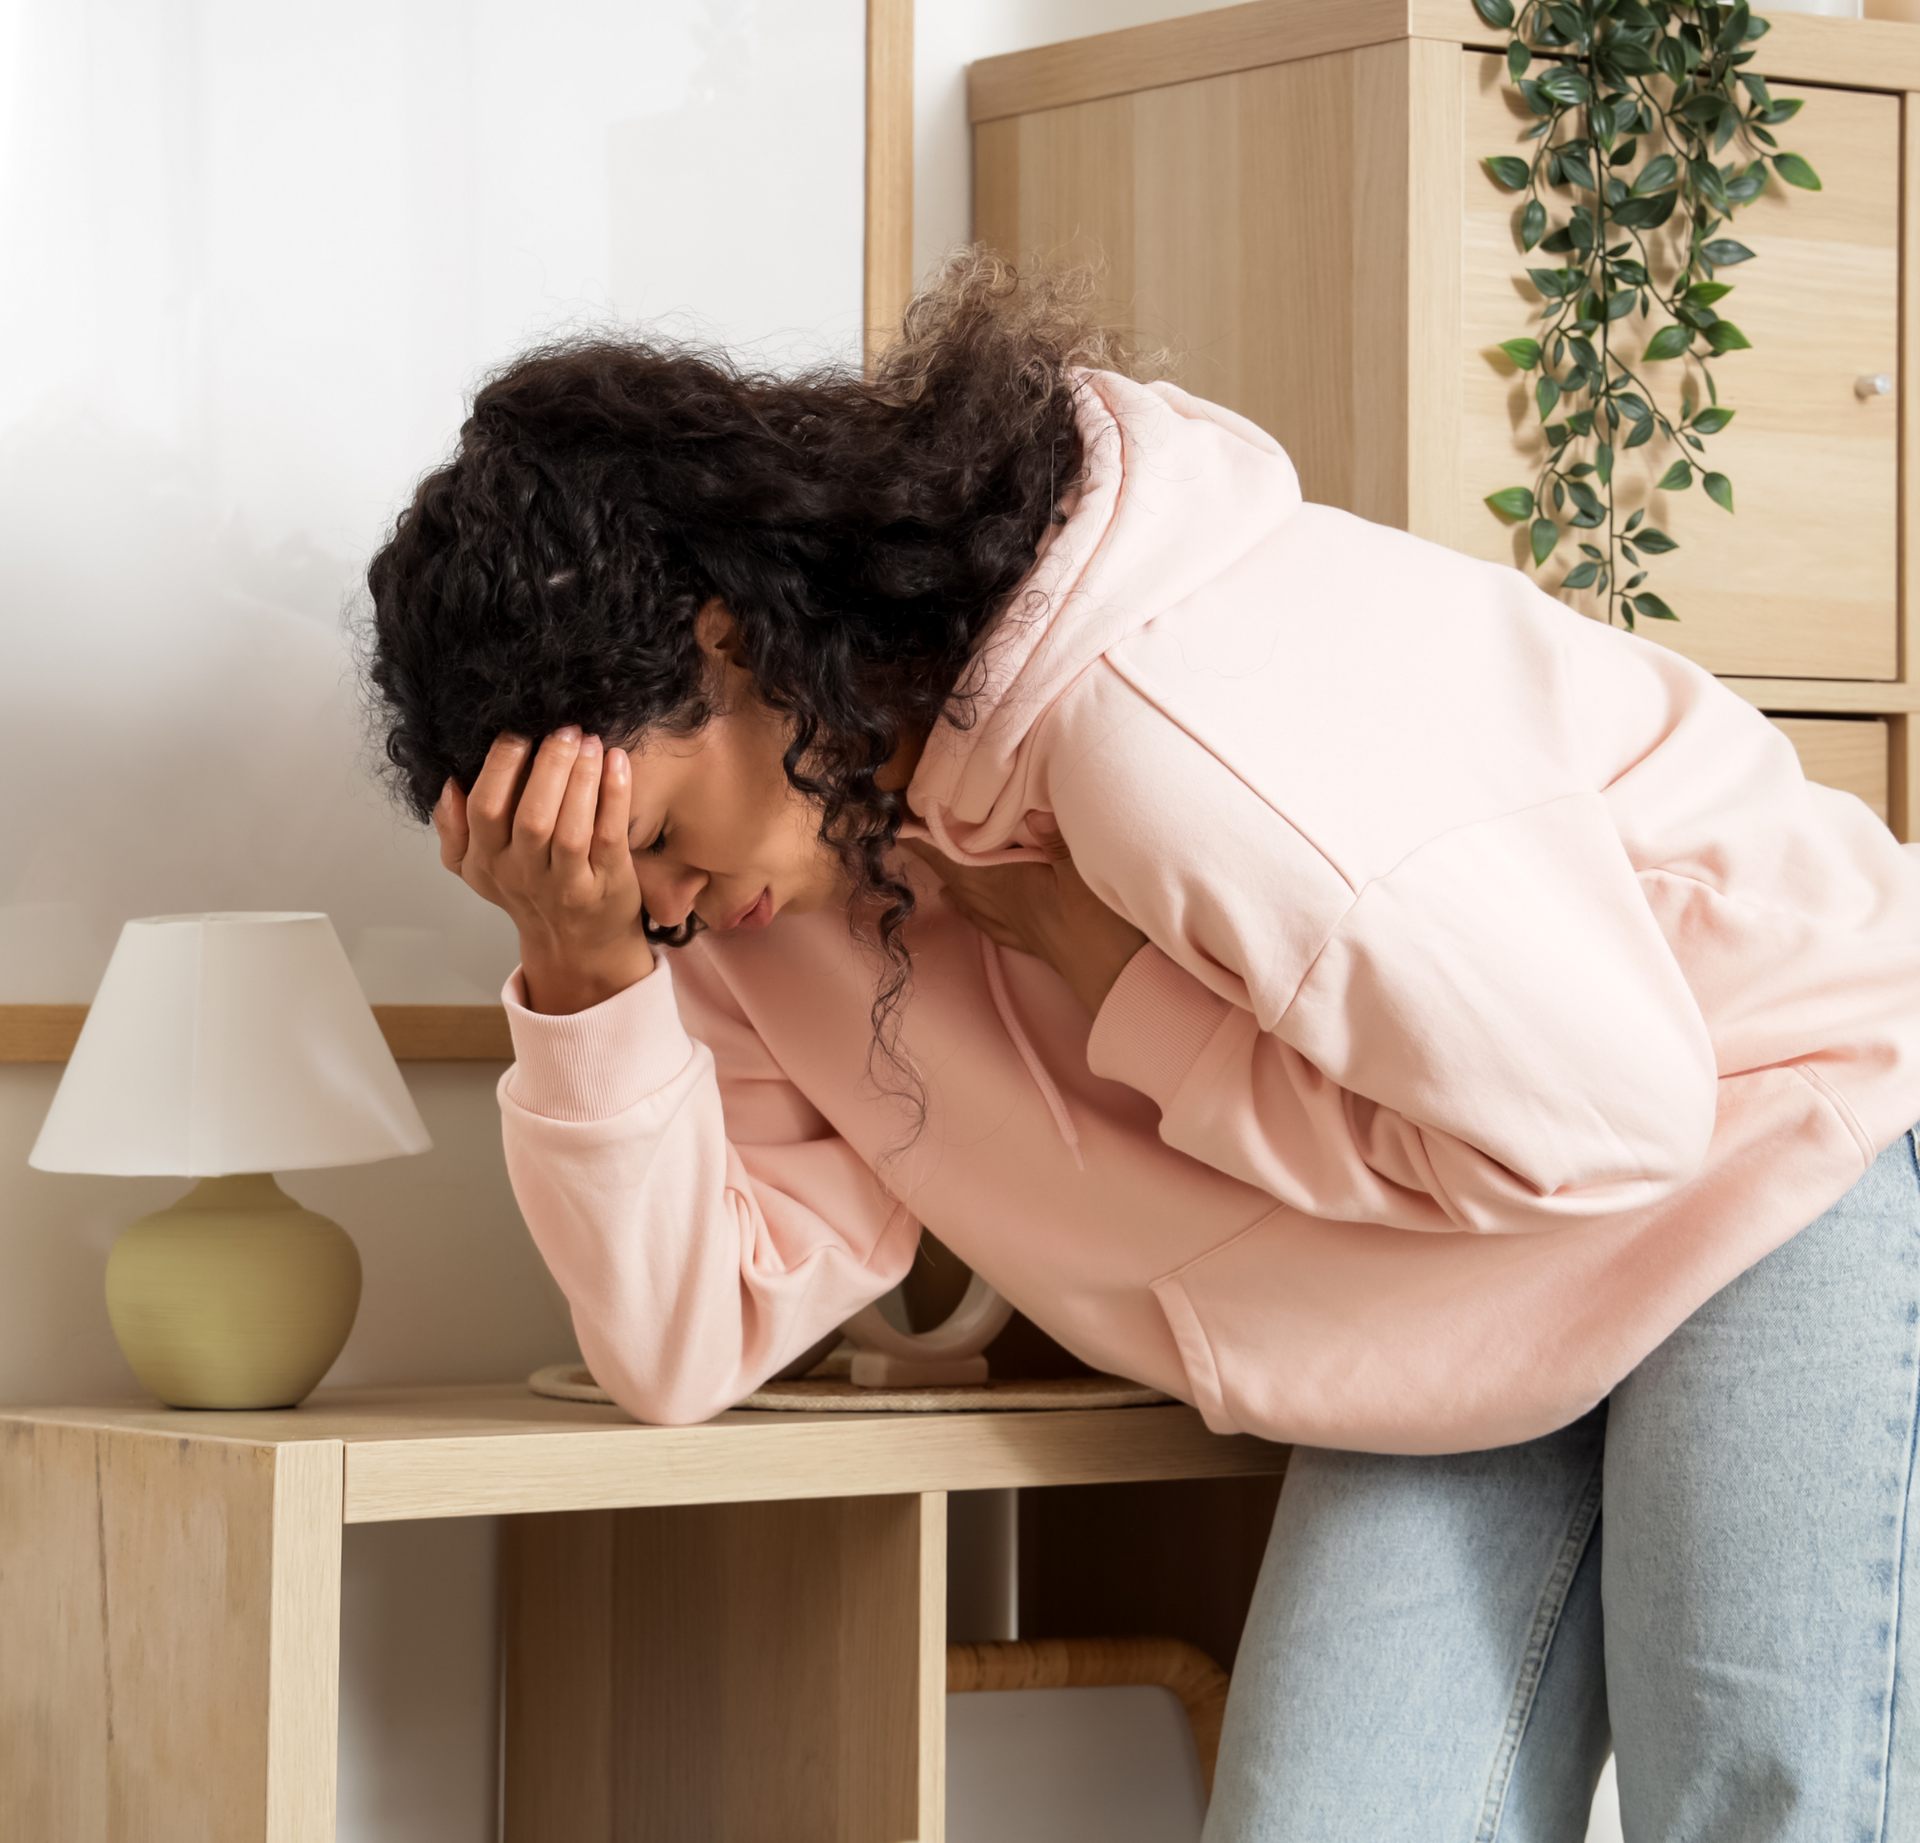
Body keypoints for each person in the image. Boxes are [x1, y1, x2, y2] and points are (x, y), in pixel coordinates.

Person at [364, 256, 1920, 1839]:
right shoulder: (761, 902)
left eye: (653, 841)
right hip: (1461, 1286)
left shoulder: (1155, 723)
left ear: (728, 644)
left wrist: (1109, 967)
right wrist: (585, 971)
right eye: (616, 882)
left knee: (1760, 1804)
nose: (672, 906)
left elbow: (1615, 1113)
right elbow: (686, 1340)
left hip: (1773, 1141)